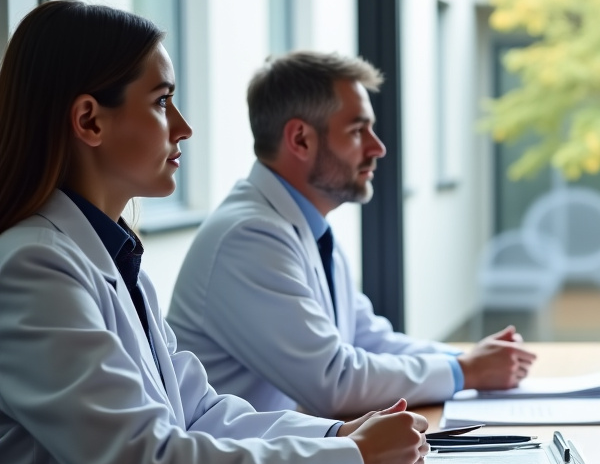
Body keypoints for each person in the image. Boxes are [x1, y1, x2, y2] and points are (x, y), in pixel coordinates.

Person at [0, 2, 428, 464]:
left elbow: (200, 414)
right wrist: (354, 460)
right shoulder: (31, 267)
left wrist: (334, 438)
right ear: (90, 122)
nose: (182, 127)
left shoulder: (110, 256)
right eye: (160, 102)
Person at [167, 51, 535, 417]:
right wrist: (467, 372)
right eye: (358, 130)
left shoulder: (305, 227)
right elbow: (334, 383)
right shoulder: (247, 238)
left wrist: (468, 360)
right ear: (300, 139)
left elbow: (368, 341)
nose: (378, 147)